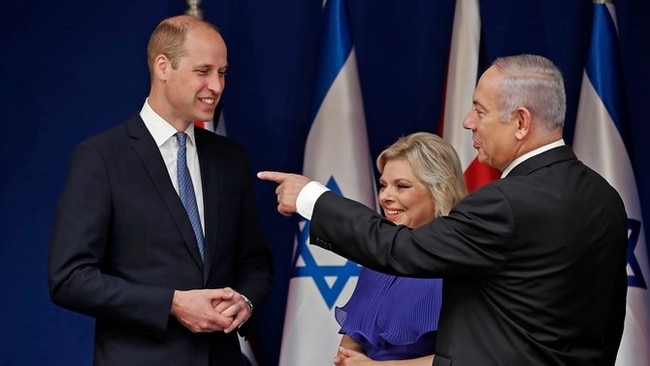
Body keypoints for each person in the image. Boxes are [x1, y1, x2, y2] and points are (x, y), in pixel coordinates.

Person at [259, 54, 628, 366]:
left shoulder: (504, 202)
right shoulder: (606, 199)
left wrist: (312, 198)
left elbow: (401, 249)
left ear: (520, 122)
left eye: (480, 111)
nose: (468, 122)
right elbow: (610, 320)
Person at [48, 15, 274, 366]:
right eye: (203, 71)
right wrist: (172, 303)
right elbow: (70, 279)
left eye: (222, 72)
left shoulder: (230, 158)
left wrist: (244, 301)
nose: (216, 85)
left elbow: (255, 261)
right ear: (163, 67)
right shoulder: (101, 158)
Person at [333, 132, 467, 366]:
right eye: (383, 185)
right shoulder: (377, 257)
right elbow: (354, 336)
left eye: (401, 186)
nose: (385, 196)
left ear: (440, 190)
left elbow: (471, 357)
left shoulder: (460, 263)